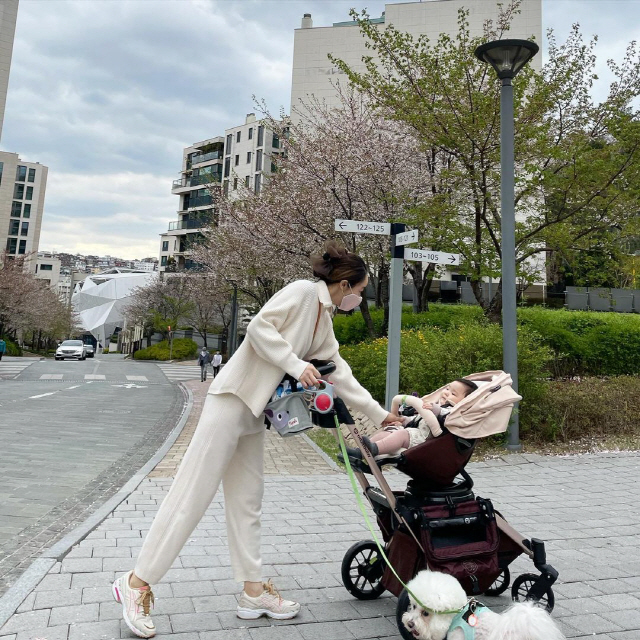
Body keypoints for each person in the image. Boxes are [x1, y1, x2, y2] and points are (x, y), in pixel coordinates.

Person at [111, 240, 401, 638]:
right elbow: (260, 327)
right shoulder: (301, 293)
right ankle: (136, 583)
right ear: (346, 284)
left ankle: (252, 592)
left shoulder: (324, 319)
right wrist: (297, 365)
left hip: (252, 412)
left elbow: (339, 372)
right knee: (192, 494)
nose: (361, 297)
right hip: (231, 400)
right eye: (362, 290)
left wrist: (381, 414)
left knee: (248, 501)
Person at [347, 378, 478, 460]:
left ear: (464, 402)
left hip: (429, 442)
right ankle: (361, 450)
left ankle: (374, 449)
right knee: (389, 431)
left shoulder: (455, 412)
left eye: (453, 393)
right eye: (448, 388)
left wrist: (434, 409)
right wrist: (404, 420)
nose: (446, 392)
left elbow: (446, 417)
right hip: (417, 434)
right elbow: (418, 419)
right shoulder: (435, 406)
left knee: (402, 434)